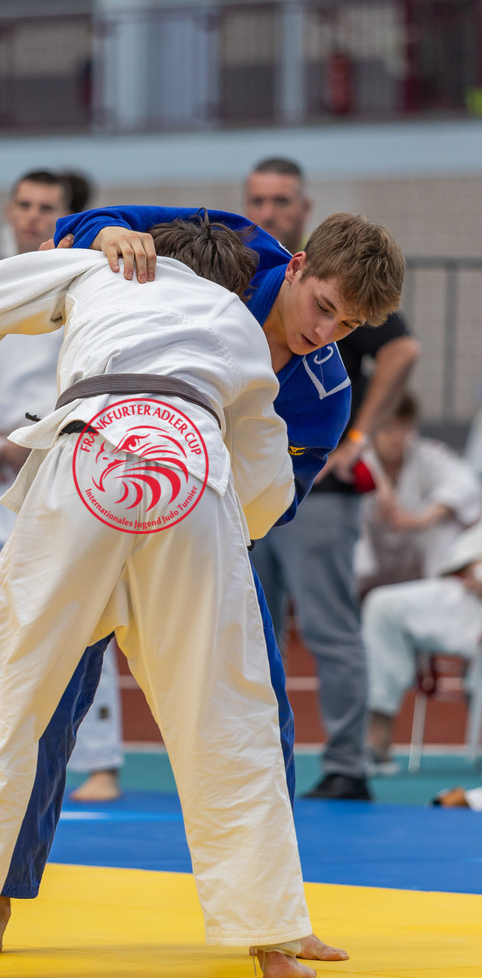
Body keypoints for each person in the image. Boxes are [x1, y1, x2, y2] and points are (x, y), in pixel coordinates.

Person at [0, 206, 403, 964]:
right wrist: (100, 234)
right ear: (292, 266)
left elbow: (274, 497)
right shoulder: (231, 250)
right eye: (323, 308)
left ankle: (274, 917)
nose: (326, 334)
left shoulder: (323, 391)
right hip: (158, 486)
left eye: (348, 327)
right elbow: (98, 223)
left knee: (240, 705)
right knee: (87, 698)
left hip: (168, 503)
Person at [0, 169, 123, 813]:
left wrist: (21, 437)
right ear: (9, 211)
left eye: (48, 208)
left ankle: (97, 760)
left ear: (67, 216)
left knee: (77, 622)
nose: (34, 216)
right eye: (25, 204)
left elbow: (91, 377)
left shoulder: (88, 285)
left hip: (58, 473)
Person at [239, 157, 421, 800]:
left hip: (316, 485)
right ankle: (250, 767)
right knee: (248, 630)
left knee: (326, 623)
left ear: (303, 209)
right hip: (237, 494)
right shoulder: (246, 278)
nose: (267, 211)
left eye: (281, 199)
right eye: (257, 198)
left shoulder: (348, 275)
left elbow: (402, 349)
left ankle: (348, 760)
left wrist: (359, 437)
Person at [364, 517, 482, 768]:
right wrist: (473, 566)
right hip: (467, 595)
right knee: (383, 606)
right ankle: (378, 740)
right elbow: (469, 546)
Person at [355, 393, 482, 599]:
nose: (396, 437)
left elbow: (467, 484)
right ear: (374, 427)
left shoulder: (426, 454)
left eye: (402, 427)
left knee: (444, 524)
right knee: (347, 512)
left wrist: (420, 519)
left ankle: (440, 597)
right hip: (369, 569)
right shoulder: (359, 460)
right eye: (388, 427)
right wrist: (375, 482)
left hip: (416, 567)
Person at [243, 157, 312, 253]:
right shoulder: (227, 264)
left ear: (305, 208)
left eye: (281, 202)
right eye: (257, 202)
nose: (267, 215)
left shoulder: (326, 263)